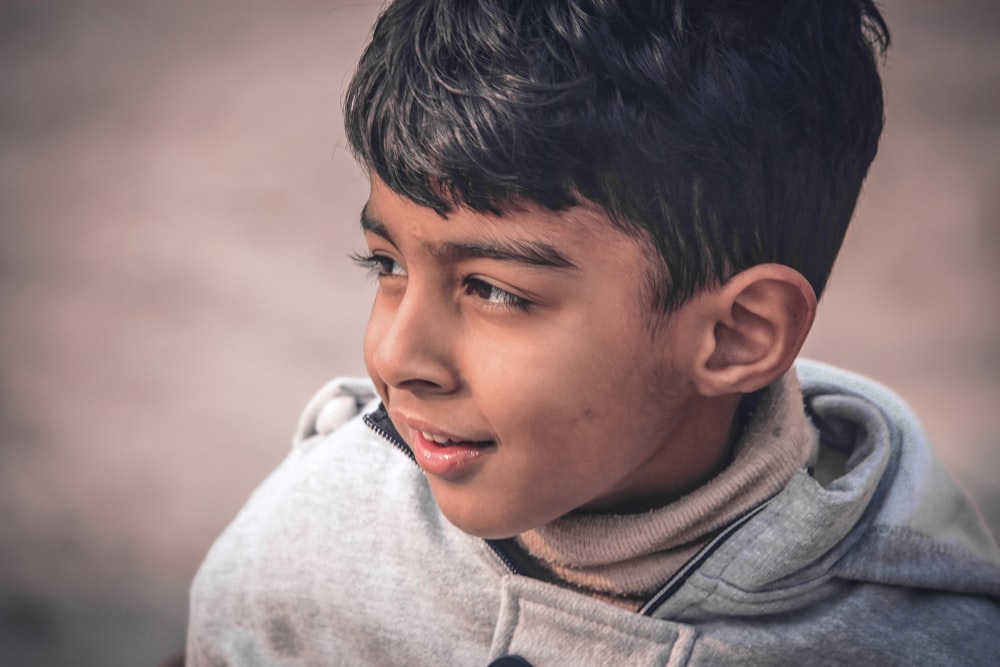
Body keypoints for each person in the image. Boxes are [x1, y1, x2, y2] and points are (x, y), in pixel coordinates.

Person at [185, 1, 1000, 664]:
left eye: (494, 290)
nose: (396, 357)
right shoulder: (311, 542)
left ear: (737, 336)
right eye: (386, 266)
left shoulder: (926, 640)